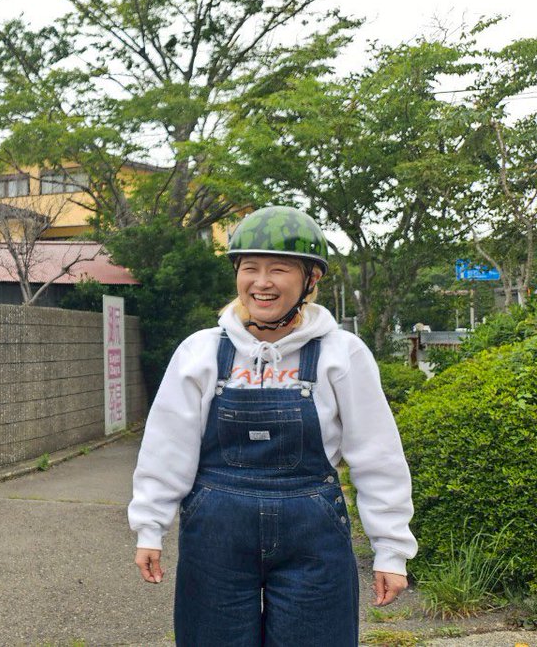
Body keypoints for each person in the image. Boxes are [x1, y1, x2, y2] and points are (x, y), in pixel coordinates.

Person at [128, 206, 417, 646]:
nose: (261, 282)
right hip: (217, 537)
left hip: (312, 535)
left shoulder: (343, 354)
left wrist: (392, 550)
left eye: (278, 269)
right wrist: (150, 525)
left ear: (310, 280)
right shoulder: (201, 352)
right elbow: (168, 445)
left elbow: (377, 455)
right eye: (250, 269)